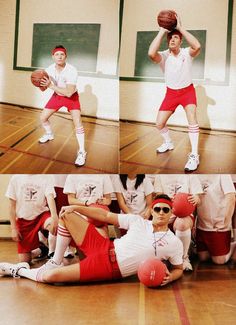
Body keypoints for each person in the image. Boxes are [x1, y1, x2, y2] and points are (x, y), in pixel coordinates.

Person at [0, 195, 183, 286]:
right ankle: (55, 261)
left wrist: (170, 278)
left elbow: (178, 269)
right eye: (157, 209)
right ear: (151, 210)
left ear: (171, 213)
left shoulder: (174, 242)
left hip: (108, 268)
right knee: (66, 214)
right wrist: (75, 207)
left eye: (165, 210)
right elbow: (104, 214)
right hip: (103, 245)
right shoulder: (137, 221)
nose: (161, 213)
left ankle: (18, 270)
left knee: (50, 278)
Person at [148, 14, 201, 171]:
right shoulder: (164, 56)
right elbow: (151, 53)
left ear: (180, 40)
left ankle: (194, 155)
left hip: (187, 92)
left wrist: (179, 28)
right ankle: (168, 142)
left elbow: (197, 46)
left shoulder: (186, 53)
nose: (172, 40)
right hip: (171, 93)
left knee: (192, 118)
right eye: (170, 38)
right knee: (159, 123)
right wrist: (161, 31)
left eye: (176, 38)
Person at [38, 45, 86, 167]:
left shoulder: (72, 70)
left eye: (62, 54)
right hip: (58, 96)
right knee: (43, 118)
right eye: (57, 54)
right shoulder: (49, 69)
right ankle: (49, 134)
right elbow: (43, 88)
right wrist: (38, 82)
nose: (59, 56)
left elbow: (69, 92)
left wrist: (51, 86)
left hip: (71, 98)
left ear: (66, 56)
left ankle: (82, 151)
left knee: (78, 123)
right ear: (53, 57)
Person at [5, 175, 58, 263]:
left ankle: (55, 256)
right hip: (24, 221)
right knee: (24, 261)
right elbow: (12, 206)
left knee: (53, 224)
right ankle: (41, 249)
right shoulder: (15, 178)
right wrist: (13, 228)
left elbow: (50, 197)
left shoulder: (46, 177)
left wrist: (54, 216)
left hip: (41, 215)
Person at [154, 175, 203, 271]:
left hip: (185, 215)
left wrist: (196, 199)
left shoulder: (190, 175)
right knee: (155, 225)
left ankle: (183, 259)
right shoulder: (160, 175)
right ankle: (165, 257)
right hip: (166, 213)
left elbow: (199, 200)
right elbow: (158, 197)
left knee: (182, 223)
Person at [196, 175, 236, 265]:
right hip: (202, 226)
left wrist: (225, 221)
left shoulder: (223, 175)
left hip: (218, 226)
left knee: (219, 261)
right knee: (203, 258)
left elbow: (231, 198)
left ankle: (233, 245)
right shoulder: (195, 175)